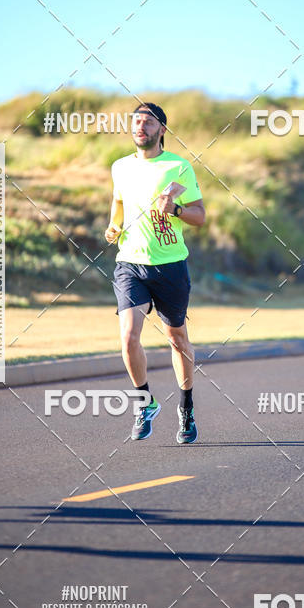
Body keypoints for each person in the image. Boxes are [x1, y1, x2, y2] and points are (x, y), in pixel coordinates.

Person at [105, 102, 205, 444]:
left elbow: (200, 216)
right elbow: (118, 202)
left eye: (148, 122)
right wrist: (113, 226)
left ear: (162, 129)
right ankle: (144, 403)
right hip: (130, 263)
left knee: (177, 339)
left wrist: (175, 208)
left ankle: (186, 407)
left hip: (171, 265)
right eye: (135, 121)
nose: (140, 127)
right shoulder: (120, 167)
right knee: (128, 335)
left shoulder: (178, 166)